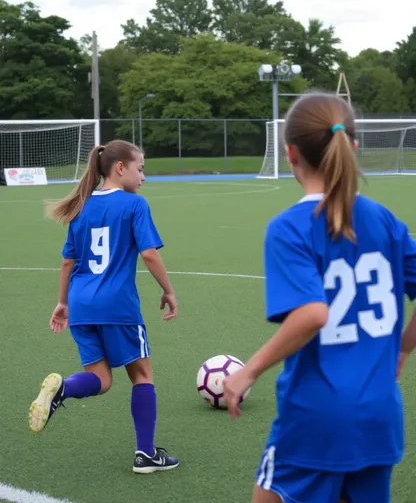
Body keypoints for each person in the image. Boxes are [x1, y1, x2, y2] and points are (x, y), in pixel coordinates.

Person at [223, 92, 416, 503]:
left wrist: (249, 370)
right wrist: (403, 348)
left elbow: (313, 313)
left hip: (316, 418)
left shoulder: (290, 227)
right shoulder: (385, 220)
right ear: (354, 147)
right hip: (379, 416)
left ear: (289, 153)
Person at [28, 139, 179, 474]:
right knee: (142, 375)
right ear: (120, 167)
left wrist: (62, 302)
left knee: (101, 378)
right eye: (140, 169)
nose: (143, 177)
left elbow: (68, 261)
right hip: (117, 306)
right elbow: (150, 253)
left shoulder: (81, 206)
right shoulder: (134, 206)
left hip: (81, 305)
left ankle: (62, 389)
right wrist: (168, 290)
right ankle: (146, 454)